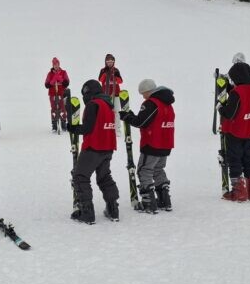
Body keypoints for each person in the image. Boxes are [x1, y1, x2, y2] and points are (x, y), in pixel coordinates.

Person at [66, 80, 120, 224]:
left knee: (80, 177)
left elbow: (88, 128)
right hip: (108, 148)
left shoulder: (93, 104)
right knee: (104, 177)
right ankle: (113, 209)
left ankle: (87, 213)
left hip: (93, 148)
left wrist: (73, 128)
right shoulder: (109, 104)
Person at [119, 79, 175, 213]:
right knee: (158, 170)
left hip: (152, 143)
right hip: (166, 143)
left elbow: (141, 122)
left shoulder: (152, 103)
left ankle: (148, 203)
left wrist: (127, 116)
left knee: (144, 170)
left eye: (143, 93)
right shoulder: (167, 103)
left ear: (148, 91)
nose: (143, 97)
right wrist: (132, 116)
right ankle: (164, 200)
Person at [217, 62, 250, 201]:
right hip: (249, 128)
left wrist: (220, 107)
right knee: (248, 158)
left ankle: (239, 190)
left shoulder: (238, 92)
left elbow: (230, 113)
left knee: (234, 159)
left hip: (235, 130)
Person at [98, 54, 123, 135]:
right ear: (105, 62)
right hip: (105, 95)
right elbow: (100, 80)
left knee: (116, 111)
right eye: (108, 62)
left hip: (115, 94)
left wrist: (116, 77)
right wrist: (105, 74)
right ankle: (106, 127)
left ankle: (117, 129)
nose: (110, 63)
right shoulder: (102, 70)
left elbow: (120, 81)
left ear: (113, 62)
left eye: (111, 62)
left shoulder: (116, 70)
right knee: (105, 111)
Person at [44, 57, 70, 132]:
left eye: (57, 64)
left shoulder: (63, 72)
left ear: (59, 64)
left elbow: (67, 83)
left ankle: (63, 123)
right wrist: (52, 81)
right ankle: (54, 125)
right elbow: (46, 85)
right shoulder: (50, 74)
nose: (56, 66)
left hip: (61, 93)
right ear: (53, 65)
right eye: (54, 64)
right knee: (54, 108)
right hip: (52, 94)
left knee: (62, 107)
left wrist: (60, 79)